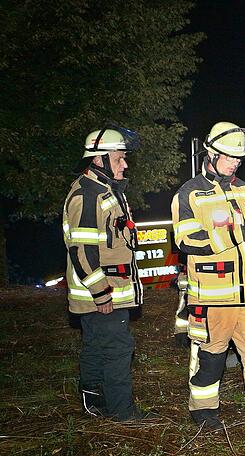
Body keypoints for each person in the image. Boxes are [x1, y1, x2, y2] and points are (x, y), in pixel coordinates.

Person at [171, 122, 245, 431]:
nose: (235, 163)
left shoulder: (244, 190)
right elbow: (187, 240)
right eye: (229, 157)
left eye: (239, 158)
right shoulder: (190, 193)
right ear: (211, 154)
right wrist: (238, 233)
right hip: (214, 298)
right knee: (211, 358)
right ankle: (204, 413)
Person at [63, 125, 150, 421]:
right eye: (118, 158)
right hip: (102, 294)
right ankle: (122, 412)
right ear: (98, 159)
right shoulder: (88, 195)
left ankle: (95, 403)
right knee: (117, 349)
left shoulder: (104, 190)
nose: (125, 164)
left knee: (97, 347)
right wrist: (100, 293)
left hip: (107, 292)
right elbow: (82, 251)